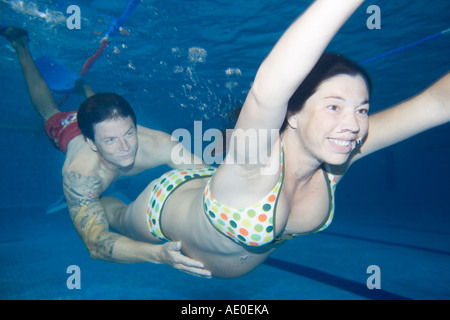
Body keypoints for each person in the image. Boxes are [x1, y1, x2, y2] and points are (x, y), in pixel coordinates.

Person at [99, 0, 450, 278]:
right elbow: (268, 90)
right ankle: (96, 191)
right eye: (334, 106)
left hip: (210, 184)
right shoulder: (256, 160)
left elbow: (434, 104)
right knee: (115, 216)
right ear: (293, 114)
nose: (354, 124)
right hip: (162, 206)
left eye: (362, 109)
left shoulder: (339, 153)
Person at [1, 26, 212, 278]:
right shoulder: (81, 175)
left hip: (99, 123)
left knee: (106, 111)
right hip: (66, 129)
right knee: (48, 112)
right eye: (110, 141)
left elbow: (205, 175)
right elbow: (96, 244)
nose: (125, 148)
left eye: (129, 134)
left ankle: (84, 89)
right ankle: (20, 45)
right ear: (92, 143)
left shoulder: (160, 144)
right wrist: (157, 255)